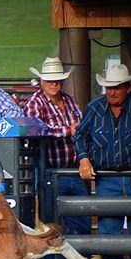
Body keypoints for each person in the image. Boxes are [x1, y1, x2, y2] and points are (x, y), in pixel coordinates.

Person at [73, 64, 131, 259]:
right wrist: (83, 158)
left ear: (128, 87)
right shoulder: (95, 108)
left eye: (116, 87)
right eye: (108, 87)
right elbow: (80, 136)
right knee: (109, 231)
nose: (111, 92)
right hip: (106, 178)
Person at [24, 57, 91, 235]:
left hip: (75, 170)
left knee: (82, 220)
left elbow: (83, 129)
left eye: (57, 79)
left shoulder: (71, 102)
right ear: (42, 81)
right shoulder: (34, 104)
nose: (54, 83)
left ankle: (81, 257)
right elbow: (38, 132)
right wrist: (69, 130)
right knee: (53, 223)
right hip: (50, 172)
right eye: (49, 80)